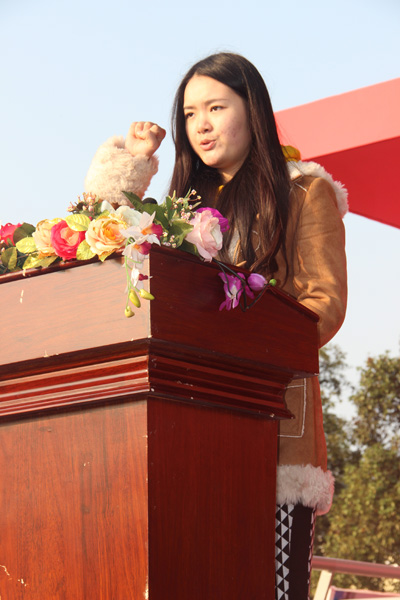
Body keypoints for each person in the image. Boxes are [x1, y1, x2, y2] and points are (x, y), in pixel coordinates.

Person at [85, 52, 347, 600]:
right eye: (188, 114)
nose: (200, 125)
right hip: (183, 427)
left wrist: (236, 338)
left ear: (254, 111)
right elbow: (98, 244)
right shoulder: (178, 208)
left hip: (272, 431)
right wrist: (133, 164)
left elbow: (322, 304)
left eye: (216, 108)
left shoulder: (303, 192)